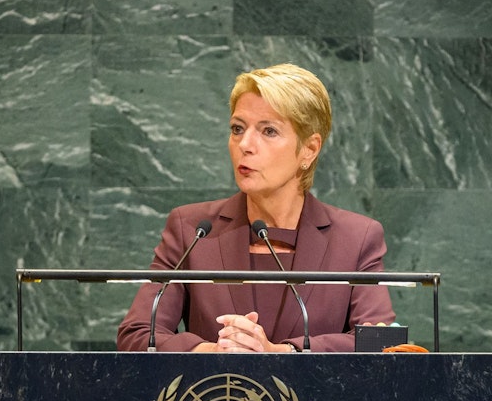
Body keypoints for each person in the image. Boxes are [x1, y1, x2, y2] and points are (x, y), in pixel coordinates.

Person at [116, 63, 395, 353]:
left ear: (309, 150)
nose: (245, 144)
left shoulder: (356, 238)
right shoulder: (192, 229)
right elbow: (137, 335)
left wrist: (281, 353)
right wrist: (211, 352)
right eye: (237, 129)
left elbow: (380, 344)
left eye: (269, 131)